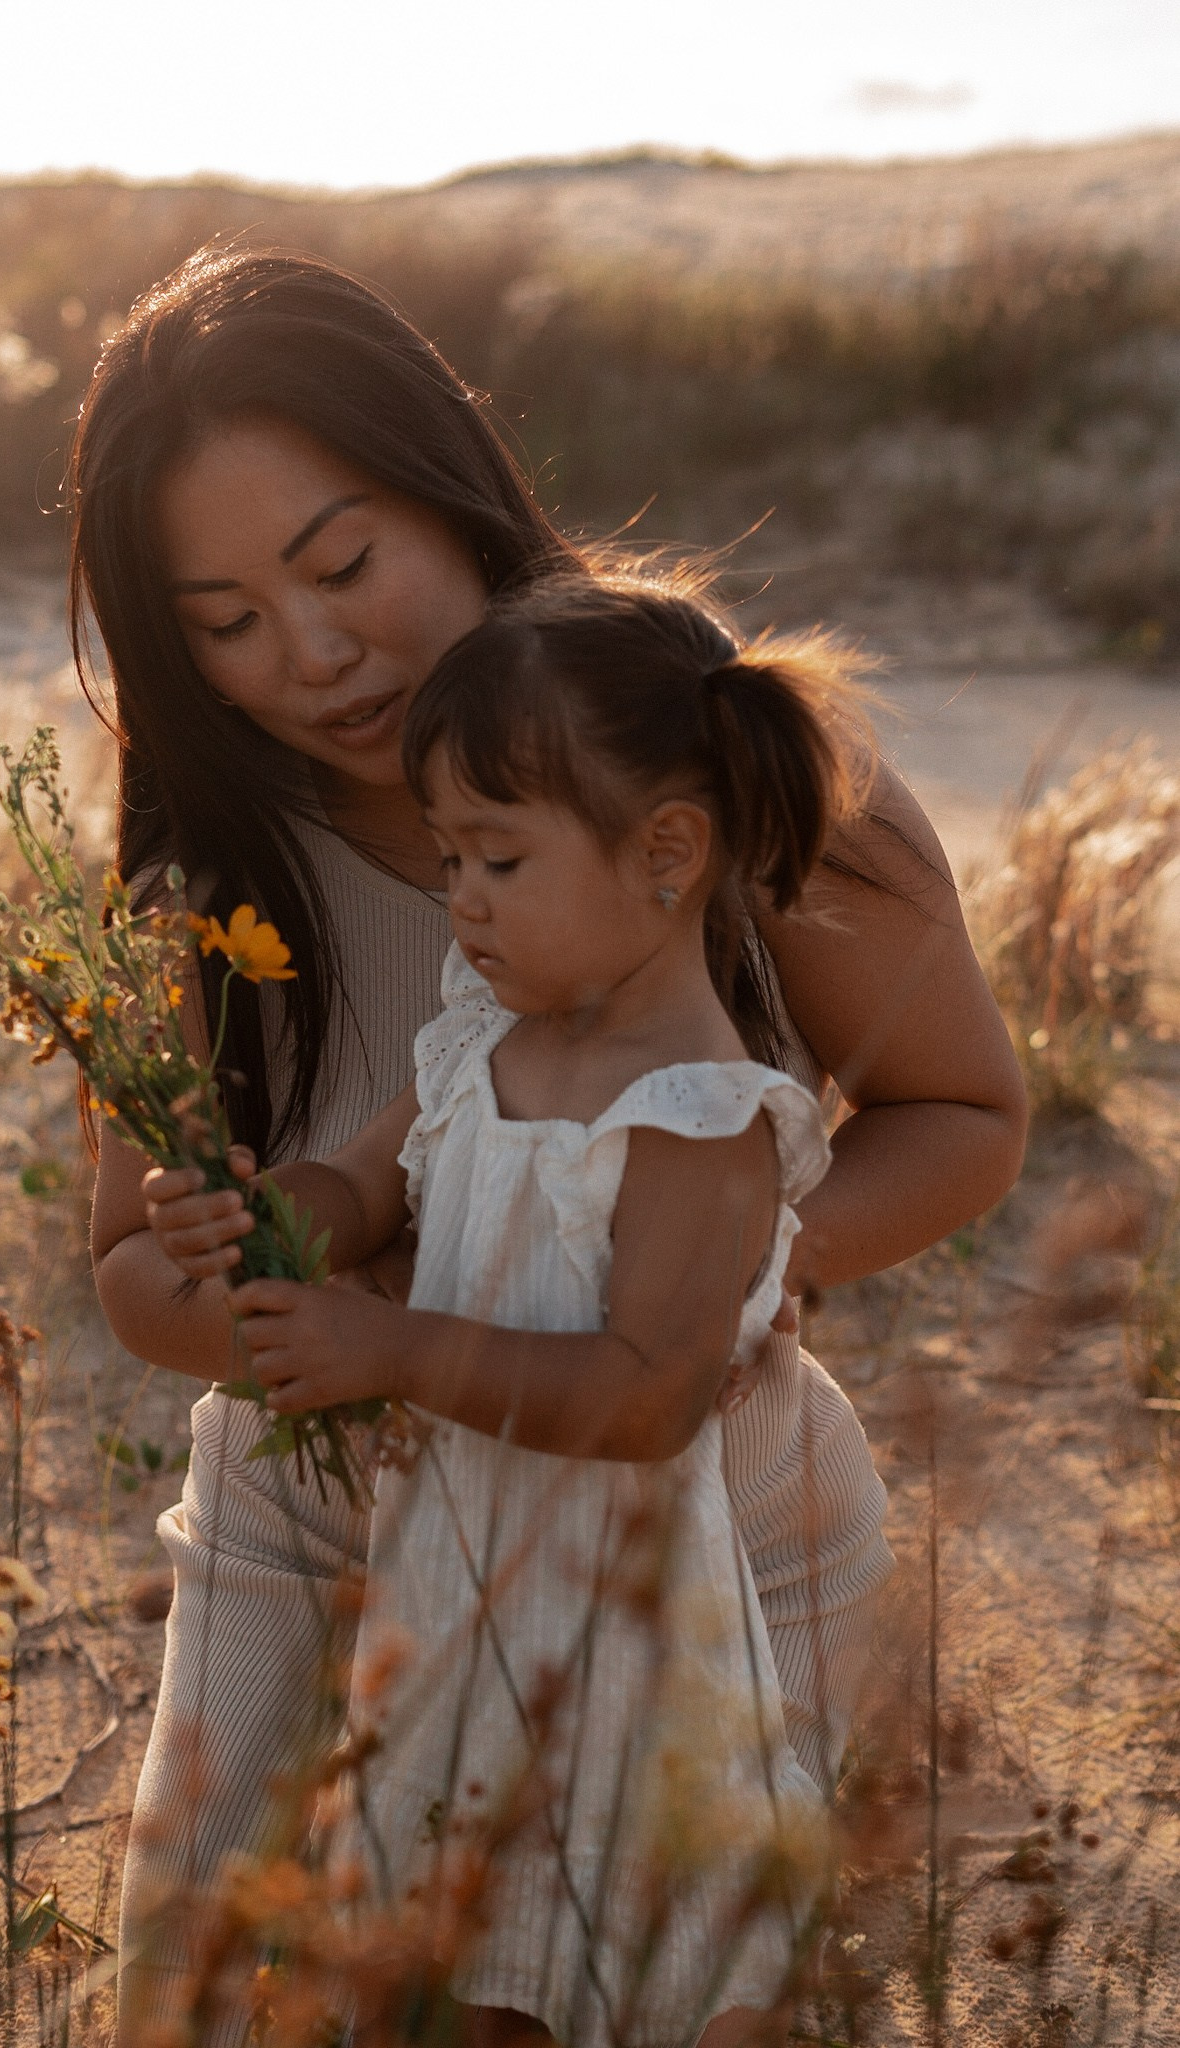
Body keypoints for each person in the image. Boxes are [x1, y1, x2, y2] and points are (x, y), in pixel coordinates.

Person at [74, 247, 1027, 2042]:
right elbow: (131, 1265)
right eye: (225, 618)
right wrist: (303, 1318)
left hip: (697, 1521)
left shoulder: (694, 758)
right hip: (313, 1525)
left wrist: (657, 1278)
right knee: (246, 1997)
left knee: (655, 1985)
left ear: (449, 483)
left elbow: (964, 1116)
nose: (313, 650)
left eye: (341, 563)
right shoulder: (203, 855)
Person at [147, 576, 860, 2046]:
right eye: (451, 854)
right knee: (452, 1956)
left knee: (591, 1962)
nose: (459, 896)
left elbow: (647, 1392)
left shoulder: (698, 1119)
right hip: (455, 1595)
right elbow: (364, 1190)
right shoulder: (485, 1033)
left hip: (607, 1639)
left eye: (500, 857)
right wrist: (255, 1212)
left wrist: (390, 1348)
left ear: (665, 852)